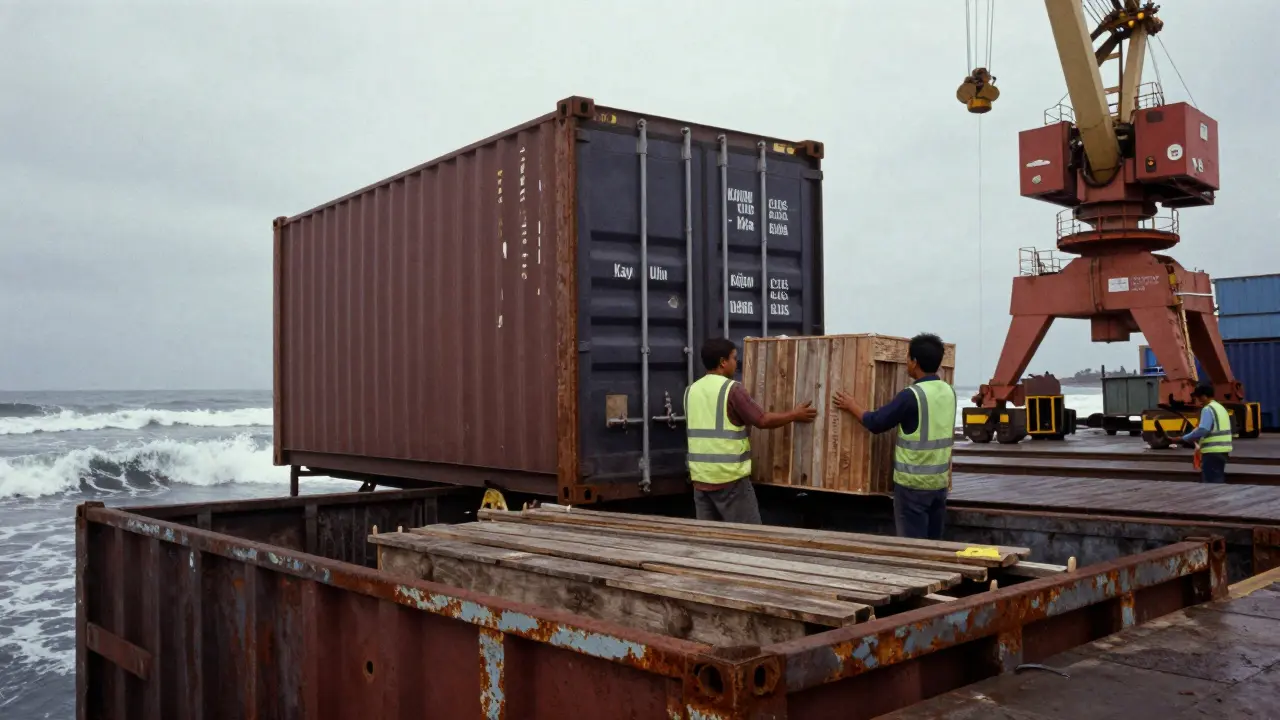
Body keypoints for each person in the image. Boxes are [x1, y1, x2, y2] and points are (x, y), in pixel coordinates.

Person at [832, 333, 955, 539]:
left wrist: (851, 406)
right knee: (934, 545)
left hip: (912, 487)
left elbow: (876, 422)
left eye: (908, 358)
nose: (906, 362)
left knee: (912, 549)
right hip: (939, 484)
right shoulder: (948, 391)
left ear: (914, 362)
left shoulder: (912, 395)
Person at [685, 338, 817, 523]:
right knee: (751, 537)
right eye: (734, 358)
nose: (736, 363)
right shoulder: (731, 390)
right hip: (730, 481)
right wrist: (795, 414)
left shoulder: (691, 390)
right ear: (723, 362)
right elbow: (761, 420)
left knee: (710, 540)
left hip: (700, 480)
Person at [1170, 384, 1233, 483]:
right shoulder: (1220, 408)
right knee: (1218, 477)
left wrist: (1184, 438)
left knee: (1212, 481)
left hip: (1212, 451)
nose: (1198, 401)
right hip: (1223, 450)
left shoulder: (1208, 409)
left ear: (1204, 396)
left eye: (1198, 398)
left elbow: (1203, 430)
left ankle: (1214, 497)